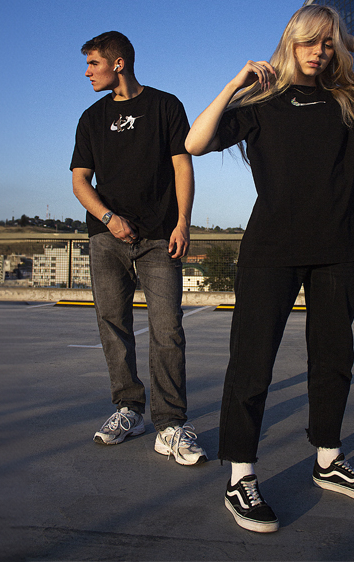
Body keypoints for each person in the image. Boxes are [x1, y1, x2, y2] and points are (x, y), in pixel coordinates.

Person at [185, 5, 354, 532]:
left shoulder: (348, 101)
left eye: (327, 44)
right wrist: (236, 83)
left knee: (333, 359)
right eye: (310, 41)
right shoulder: (261, 102)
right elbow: (195, 143)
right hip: (271, 249)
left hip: (338, 248)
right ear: (290, 42)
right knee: (252, 362)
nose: (319, 52)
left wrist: (346, 37)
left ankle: (328, 461)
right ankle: (241, 476)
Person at [71, 30, 206, 466]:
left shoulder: (166, 106)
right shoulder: (91, 118)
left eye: (93, 63)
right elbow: (79, 181)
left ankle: (170, 424)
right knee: (113, 326)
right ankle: (128, 410)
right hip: (106, 238)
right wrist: (109, 218)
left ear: (119, 63)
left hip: (159, 237)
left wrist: (183, 223)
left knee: (168, 329)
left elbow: (182, 166)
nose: (87, 72)